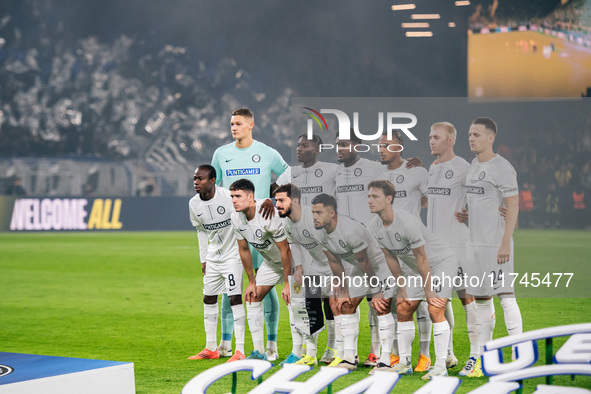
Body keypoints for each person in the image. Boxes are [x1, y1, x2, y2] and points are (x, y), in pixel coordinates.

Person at [211, 108, 288, 360]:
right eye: (231, 123)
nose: (234, 127)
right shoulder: (221, 154)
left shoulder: (267, 153)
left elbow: (288, 177)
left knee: (266, 287)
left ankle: (271, 343)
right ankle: (225, 344)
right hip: (235, 226)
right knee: (231, 285)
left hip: (263, 225)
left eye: (239, 123)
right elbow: (215, 187)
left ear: (251, 125)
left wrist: (273, 199)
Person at [367, 180, 456, 379]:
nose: (370, 201)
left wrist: (429, 290)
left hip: (440, 263)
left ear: (389, 199)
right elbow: (390, 256)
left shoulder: (407, 222)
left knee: (434, 308)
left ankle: (441, 366)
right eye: (368, 196)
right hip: (414, 268)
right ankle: (404, 363)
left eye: (375, 196)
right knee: (403, 307)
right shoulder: (374, 225)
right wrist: (402, 287)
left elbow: (422, 257)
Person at [464, 117, 522, 377]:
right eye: (469, 134)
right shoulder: (474, 166)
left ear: (491, 138)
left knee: (506, 298)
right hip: (474, 244)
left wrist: (505, 244)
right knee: (482, 301)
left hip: (495, 245)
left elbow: (513, 205)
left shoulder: (502, 167)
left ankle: (518, 357)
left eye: (476, 134)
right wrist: (469, 216)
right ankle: (482, 359)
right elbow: (482, 202)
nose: (471, 138)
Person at [310, 193, 395, 371]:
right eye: (313, 213)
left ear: (332, 213)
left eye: (318, 212)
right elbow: (335, 262)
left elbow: (367, 263)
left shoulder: (350, 230)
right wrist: (343, 289)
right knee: (345, 305)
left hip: (381, 266)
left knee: (381, 307)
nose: (314, 217)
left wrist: (376, 290)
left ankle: (385, 360)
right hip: (358, 268)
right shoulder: (319, 233)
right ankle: (348, 359)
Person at [274, 133, 338, 364]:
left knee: (334, 305)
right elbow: (294, 242)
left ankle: (336, 350)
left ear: (318, 148)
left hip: (334, 260)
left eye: (305, 145)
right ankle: (310, 354)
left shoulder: (332, 171)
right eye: (298, 144)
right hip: (311, 262)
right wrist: (299, 266)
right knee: (309, 305)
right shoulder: (287, 218)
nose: (299, 148)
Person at [375, 130, 431, 373]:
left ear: (400, 146)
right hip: (388, 246)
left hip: (414, 246)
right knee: (396, 302)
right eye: (379, 144)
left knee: (427, 303)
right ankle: (397, 355)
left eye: (387, 144)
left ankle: (427, 355)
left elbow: (432, 199)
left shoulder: (416, 171)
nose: (382, 148)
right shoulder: (377, 174)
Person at [426, 122, 479, 376]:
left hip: (458, 246)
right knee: (439, 302)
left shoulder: (464, 168)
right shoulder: (432, 168)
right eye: (429, 137)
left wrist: (472, 213)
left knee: (468, 301)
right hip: (435, 249)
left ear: (451, 141)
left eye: (436, 137)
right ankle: (448, 355)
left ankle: (476, 358)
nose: (431, 141)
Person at [334, 133, 384, 368]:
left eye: (344, 144)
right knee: (347, 302)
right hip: (346, 249)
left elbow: (398, 183)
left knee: (377, 302)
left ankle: (376, 354)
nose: (339, 149)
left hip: (373, 247)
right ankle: (348, 355)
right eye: (337, 145)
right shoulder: (335, 174)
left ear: (357, 146)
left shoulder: (373, 169)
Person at [187, 165, 246, 362]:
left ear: (213, 180)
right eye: (195, 178)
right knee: (208, 298)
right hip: (213, 258)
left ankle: (239, 350)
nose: (196, 182)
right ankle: (211, 348)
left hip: (232, 257)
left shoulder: (228, 197)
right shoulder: (194, 204)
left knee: (234, 299)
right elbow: (201, 231)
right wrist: (203, 259)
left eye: (200, 179)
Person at [229, 179, 292, 360]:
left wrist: (287, 282)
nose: (233, 200)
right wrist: (251, 281)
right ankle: (259, 351)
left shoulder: (267, 213)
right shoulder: (236, 218)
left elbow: (285, 249)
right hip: (272, 263)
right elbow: (244, 250)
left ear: (250, 197)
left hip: (293, 262)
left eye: (238, 196)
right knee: (252, 297)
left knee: (294, 303)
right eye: (232, 196)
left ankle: (302, 353)